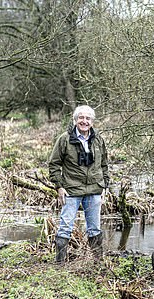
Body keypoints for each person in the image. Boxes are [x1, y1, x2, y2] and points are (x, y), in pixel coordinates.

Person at [48, 105, 109, 262]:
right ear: (75, 120)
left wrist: (104, 186)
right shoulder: (64, 139)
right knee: (65, 227)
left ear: (92, 122)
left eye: (88, 118)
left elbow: (104, 164)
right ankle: (60, 264)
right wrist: (59, 187)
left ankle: (97, 262)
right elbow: (54, 164)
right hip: (71, 190)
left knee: (94, 228)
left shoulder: (98, 140)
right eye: (81, 118)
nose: (84, 121)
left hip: (94, 190)